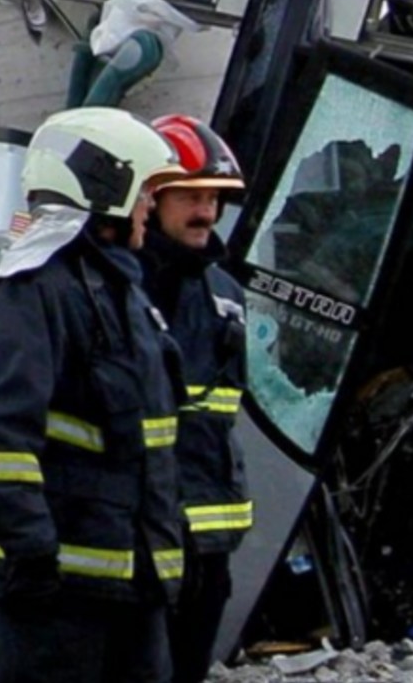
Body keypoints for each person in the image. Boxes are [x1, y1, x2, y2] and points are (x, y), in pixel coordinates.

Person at [0, 107, 189, 683]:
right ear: (107, 185)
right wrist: (32, 552)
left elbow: (148, 447)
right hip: (57, 599)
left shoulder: (130, 296)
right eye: (146, 191)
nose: (149, 208)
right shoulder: (35, 289)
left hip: (133, 592)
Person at [143, 115, 253, 683]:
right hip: (140, 536)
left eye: (213, 197)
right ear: (151, 197)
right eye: (189, 194)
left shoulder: (226, 294)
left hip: (208, 541)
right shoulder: (118, 285)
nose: (205, 211)